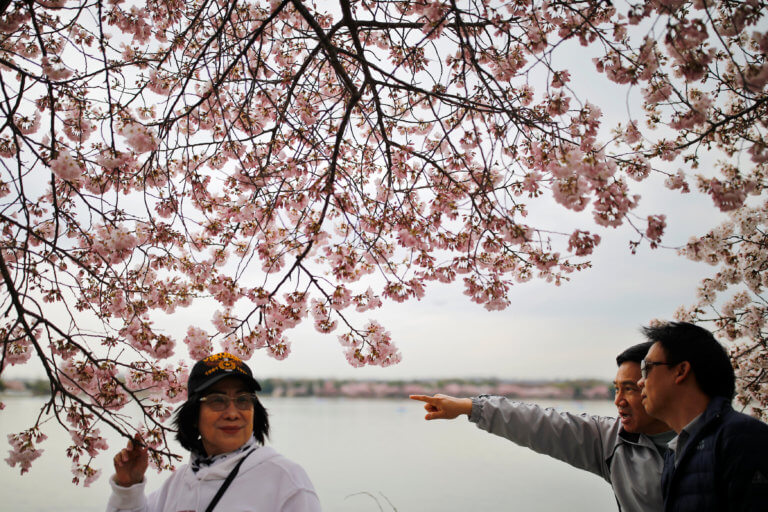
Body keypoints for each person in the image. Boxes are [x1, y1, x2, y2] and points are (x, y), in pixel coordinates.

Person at [410, 342, 673, 512]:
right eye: (616, 389)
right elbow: (543, 424)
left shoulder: (710, 440)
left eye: (630, 389)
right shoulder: (612, 442)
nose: (618, 401)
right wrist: (470, 407)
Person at [107, 352, 322, 512]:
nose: (232, 413)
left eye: (243, 400)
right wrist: (128, 486)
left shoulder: (285, 480)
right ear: (194, 414)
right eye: (217, 400)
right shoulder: (178, 482)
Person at [637, 321, 768, 511]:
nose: (640, 382)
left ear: (681, 371)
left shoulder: (743, 437)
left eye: (646, 368)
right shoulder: (674, 452)